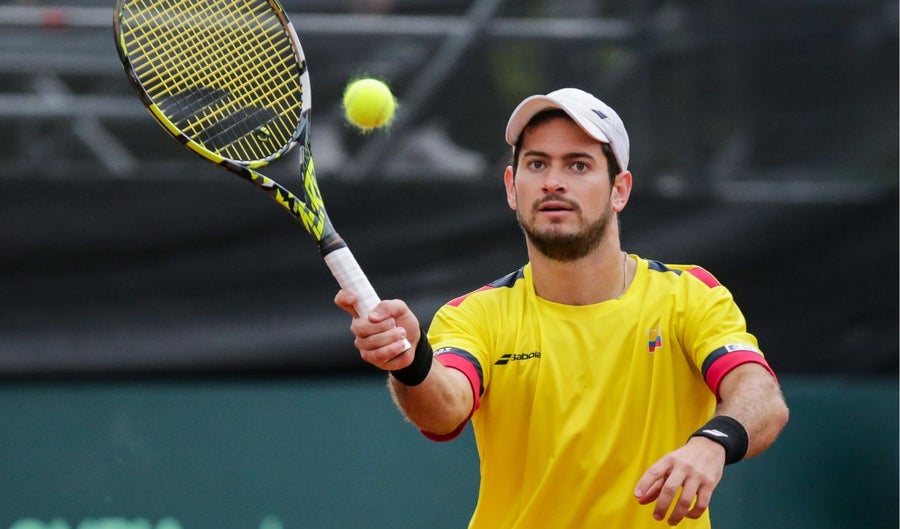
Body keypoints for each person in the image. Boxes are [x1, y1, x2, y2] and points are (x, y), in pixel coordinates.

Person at [334, 87, 789, 528]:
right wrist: (411, 361)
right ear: (513, 187)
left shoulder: (689, 296)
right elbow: (444, 409)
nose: (553, 182)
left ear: (619, 190)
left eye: (578, 165)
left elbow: (761, 397)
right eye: (537, 164)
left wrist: (712, 443)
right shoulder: (476, 314)